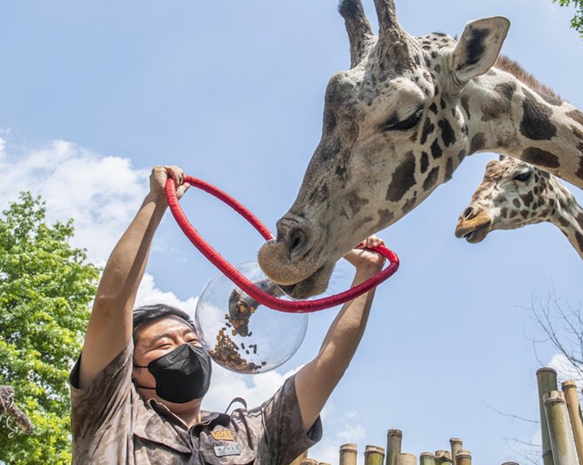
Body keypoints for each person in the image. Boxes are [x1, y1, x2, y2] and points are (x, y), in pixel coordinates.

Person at [70, 165, 386, 464]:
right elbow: (111, 307)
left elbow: (329, 366)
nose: (186, 348)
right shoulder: (111, 417)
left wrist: (367, 272)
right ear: (134, 372)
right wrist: (155, 202)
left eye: (192, 339)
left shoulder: (255, 434)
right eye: (164, 344)